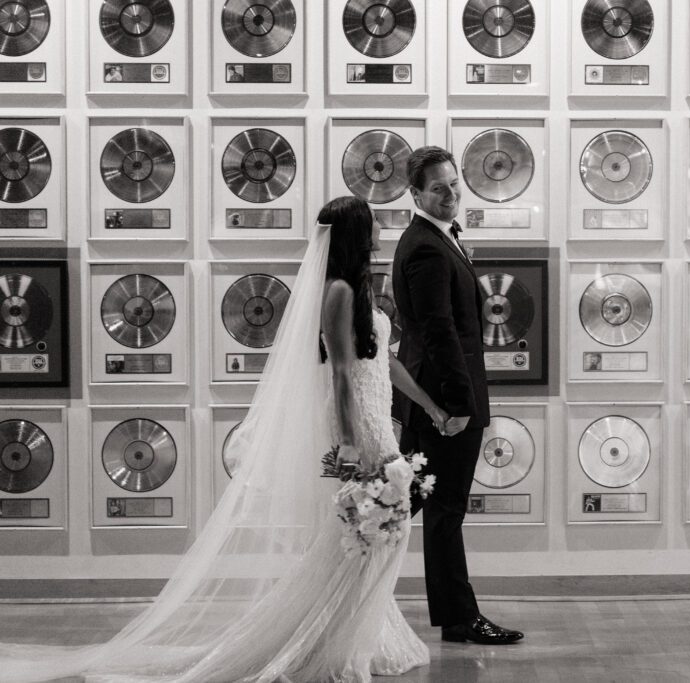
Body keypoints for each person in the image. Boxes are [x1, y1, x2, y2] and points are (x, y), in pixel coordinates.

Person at [0, 197, 440, 682]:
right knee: (360, 536)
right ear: (357, 234)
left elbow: (384, 363)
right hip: (359, 428)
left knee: (375, 535)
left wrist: (431, 407)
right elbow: (339, 372)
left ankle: (358, 632)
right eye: (372, 226)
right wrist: (352, 445)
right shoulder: (337, 291)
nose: (379, 233)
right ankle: (324, 637)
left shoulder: (360, 293)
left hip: (378, 421)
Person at [392, 146, 524, 645]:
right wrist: (457, 406)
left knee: (421, 506)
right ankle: (460, 618)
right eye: (438, 188)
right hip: (446, 400)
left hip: (442, 396)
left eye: (453, 185)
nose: (450, 195)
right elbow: (439, 329)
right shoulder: (425, 246)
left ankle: (453, 617)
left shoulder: (434, 238)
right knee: (442, 511)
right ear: (416, 193)